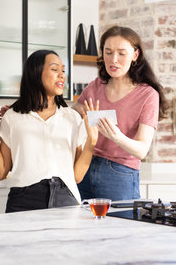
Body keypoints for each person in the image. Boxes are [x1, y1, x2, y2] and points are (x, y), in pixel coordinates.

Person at [0, 49, 99, 213]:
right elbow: (1, 172)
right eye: (54, 69)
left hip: (66, 199)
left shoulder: (72, 118)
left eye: (63, 71)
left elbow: (77, 176)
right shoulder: (12, 117)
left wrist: (91, 142)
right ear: (36, 73)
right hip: (23, 200)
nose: (61, 75)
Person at [72, 26, 169, 201]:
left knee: (120, 227)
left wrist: (117, 136)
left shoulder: (147, 95)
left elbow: (141, 151)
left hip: (120, 174)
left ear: (135, 55)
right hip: (84, 167)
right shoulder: (96, 85)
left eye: (121, 53)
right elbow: (72, 114)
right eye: (108, 52)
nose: (113, 60)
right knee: (82, 226)